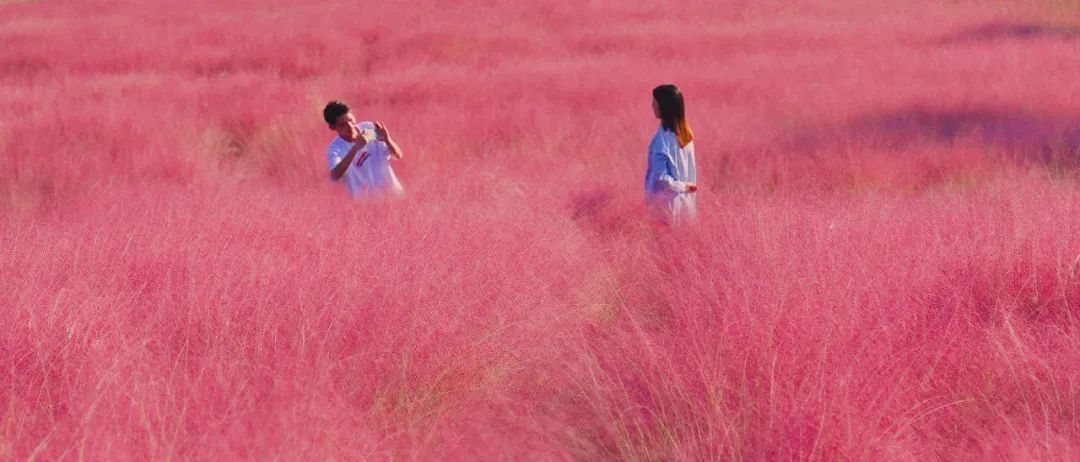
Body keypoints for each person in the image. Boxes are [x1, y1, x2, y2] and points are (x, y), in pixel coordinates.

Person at [322, 100, 405, 197]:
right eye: (343, 124)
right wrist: (355, 149)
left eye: (351, 120)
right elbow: (335, 175)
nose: (350, 126)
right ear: (333, 127)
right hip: (366, 203)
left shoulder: (368, 129)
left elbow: (398, 155)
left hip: (393, 194)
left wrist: (388, 139)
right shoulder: (336, 149)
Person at [645, 84, 698, 223]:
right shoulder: (687, 137)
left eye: (655, 103)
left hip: (664, 209)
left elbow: (661, 178)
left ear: (664, 107)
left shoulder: (661, 140)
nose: (652, 106)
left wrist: (682, 187)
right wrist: (686, 188)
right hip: (687, 207)